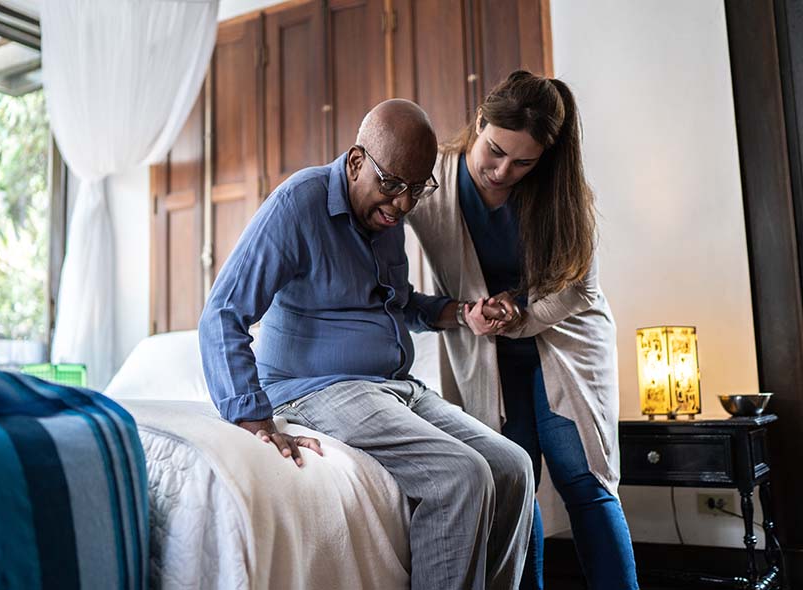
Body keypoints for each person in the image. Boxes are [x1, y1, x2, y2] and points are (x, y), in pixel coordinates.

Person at [199, 99, 535, 590]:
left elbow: (397, 304)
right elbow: (222, 314)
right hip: (317, 388)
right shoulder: (298, 205)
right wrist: (255, 421)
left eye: (416, 190)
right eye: (393, 185)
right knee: (460, 478)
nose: (402, 204)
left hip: (394, 385)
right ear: (356, 162)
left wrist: (461, 312)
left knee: (512, 467)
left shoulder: (385, 220)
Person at [407, 70, 638, 589]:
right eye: (495, 151)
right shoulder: (434, 181)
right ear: (480, 122)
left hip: (564, 340)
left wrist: (519, 313)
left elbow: (577, 289)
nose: (503, 171)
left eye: (523, 162)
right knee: (514, 480)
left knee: (582, 476)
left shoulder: (561, 193)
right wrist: (460, 311)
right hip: (486, 347)